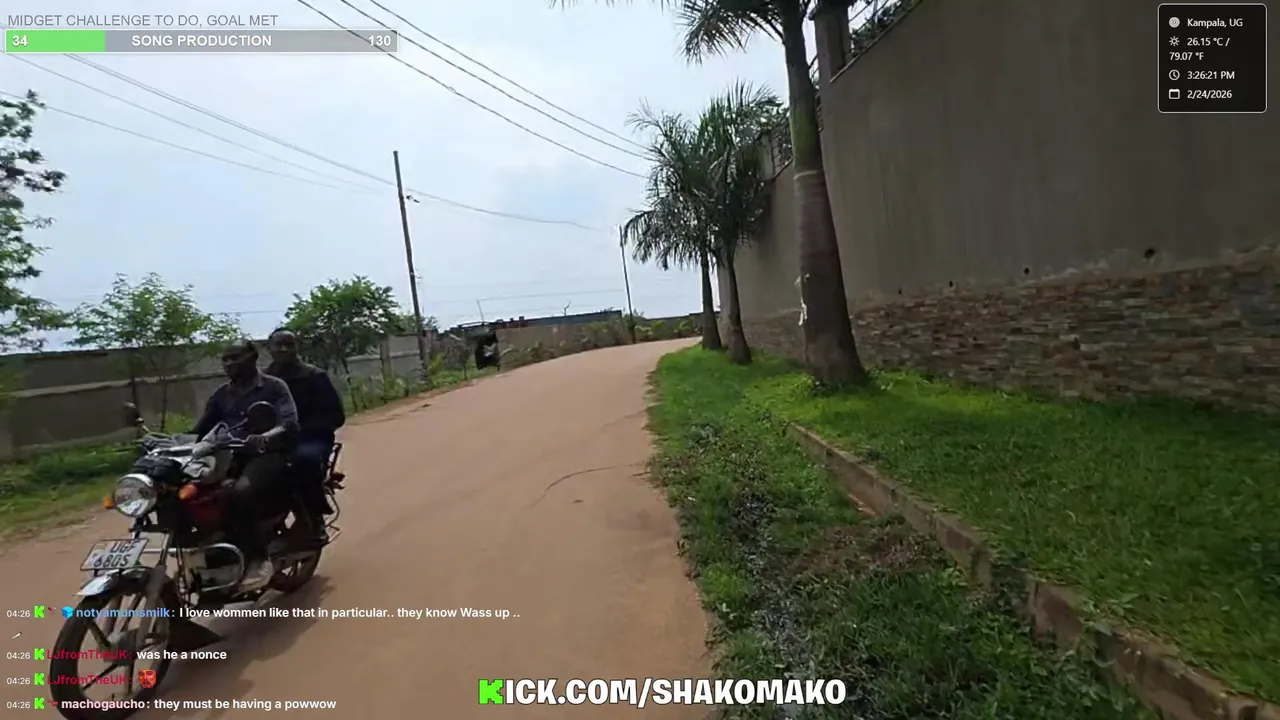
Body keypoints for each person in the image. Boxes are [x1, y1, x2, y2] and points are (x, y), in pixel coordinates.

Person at [191, 340, 300, 590]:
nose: (229, 363)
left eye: (235, 357)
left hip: (268, 454)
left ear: (253, 357)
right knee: (195, 495)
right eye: (225, 359)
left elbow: (288, 422)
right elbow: (201, 429)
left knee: (240, 492)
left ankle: (258, 559)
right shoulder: (221, 394)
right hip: (229, 457)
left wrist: (265, 436)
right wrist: (167, 442)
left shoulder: (274, 386)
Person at [265, 328, 345, 542]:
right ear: (268, 348)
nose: (284, 349)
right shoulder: (262, 381)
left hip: (310, 438)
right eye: (279, 345)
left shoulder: (314, 376)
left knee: (304, 460)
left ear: (297, 347)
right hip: (270, 440)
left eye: (289, 344)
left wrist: (300, 430)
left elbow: (335, 416)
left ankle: (313, 518)